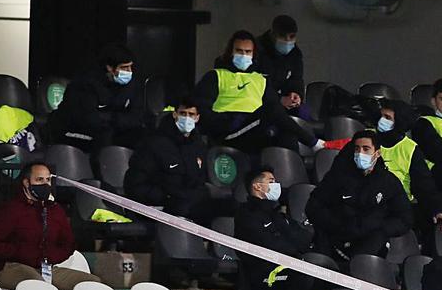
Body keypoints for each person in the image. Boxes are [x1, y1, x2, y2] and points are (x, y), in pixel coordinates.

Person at [0, 161, 102, 290]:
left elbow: (68, 243)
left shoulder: (55, 210)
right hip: (11, 267)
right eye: (39, 180)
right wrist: (19, 252)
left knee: (93, 284)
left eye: (48, 180)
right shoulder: (12, 209)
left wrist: (51, 256)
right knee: (37, 284)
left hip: (47, 269)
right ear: (26, 183)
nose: (45, 184)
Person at [190, 30, 324, 155]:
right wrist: (228, 121)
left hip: (254, 129)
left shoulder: (260, 80)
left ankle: (288, 177)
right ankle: (314, 143)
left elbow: (277, 111)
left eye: (247, 52)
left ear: (253, 54)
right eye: (239, 51)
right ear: (230, 52)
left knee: (286, 134)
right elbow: (200, 107)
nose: (243, 55)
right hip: (227, 131)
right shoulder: (215, 76)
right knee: (271, 111)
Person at [305, 130, 412, 260]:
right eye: (357, 149)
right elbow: (313, 206)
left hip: (368, 242)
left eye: (366, 149)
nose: (360, 153)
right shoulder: (338, 176)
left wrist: (378, 227)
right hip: (334, 237)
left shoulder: (389, 182)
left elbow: (404, 218)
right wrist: (337, 225)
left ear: (377, 153)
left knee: (378, 239)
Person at [234, 169, 317, 290]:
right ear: (257, 187)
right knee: (303, 275)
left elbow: (303, 238)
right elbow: (267, 244)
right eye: (271, 181)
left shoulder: (277, 214)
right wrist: (295, 252)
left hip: (289, 267)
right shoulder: (246, 214)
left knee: (326, 272)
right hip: (265, 274)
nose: (276, 185)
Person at [354, 98, 442, 233]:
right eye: (381, 116)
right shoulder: (368, 138)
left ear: (399, 122)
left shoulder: (410, 149)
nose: (382, 121)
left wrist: (437, 209)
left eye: (387, 118)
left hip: (399, 206)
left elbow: (425, 186)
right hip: (366, 200)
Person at [123, 101, 212, 224]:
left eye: (191, 114)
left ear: (197, 118)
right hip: (161, 205)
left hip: (188, 203)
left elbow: (200, 182)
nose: (186, 118)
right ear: (175, 115)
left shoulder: (199, 146)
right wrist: (167, 197)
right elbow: (135, 184)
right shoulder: (154, 144)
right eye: (183, 113)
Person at [49, 42, 148, 152]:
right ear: (109, 67)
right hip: (72, 130)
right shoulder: (85, 84)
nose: (129, 72)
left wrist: (110, 118)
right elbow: (88, 119)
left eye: (130, 67)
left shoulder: (132, 85)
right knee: (104, 136)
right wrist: (117, 118)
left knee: (142, 135)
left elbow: (137, 117)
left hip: (113, 129)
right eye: (124, 68)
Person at [256, 14, 305, 114]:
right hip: (257, 103)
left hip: (282, 103)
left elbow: (297, 80)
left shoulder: (295, 54)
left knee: (304, 114)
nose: (287, 41)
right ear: (272, 34)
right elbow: (252, 85)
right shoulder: (256, 50)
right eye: (282, 36)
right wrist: (279, 99)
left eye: (292, 37)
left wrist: (296, 94)